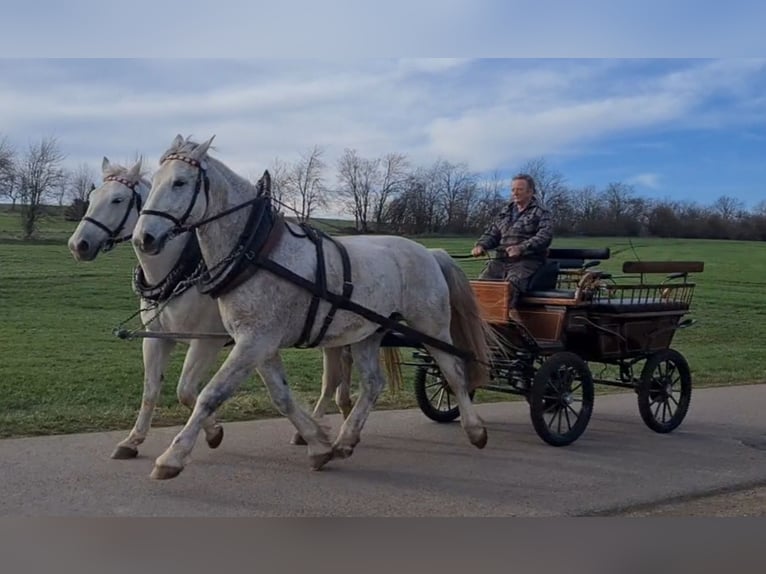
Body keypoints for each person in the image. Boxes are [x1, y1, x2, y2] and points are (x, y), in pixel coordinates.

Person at [471, 173, 553, 319]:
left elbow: (544, 237)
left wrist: (521, 248)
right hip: (501, 260)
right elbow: (493, 233)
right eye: (513, 189)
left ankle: (511, 324)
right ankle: (483, 322)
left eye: (519, 189)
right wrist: (481, 245)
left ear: (530, 191)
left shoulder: (542, 212)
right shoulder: (505, 211)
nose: (515, 193)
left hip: (527, 261)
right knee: (482, 285)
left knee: (510, 286)